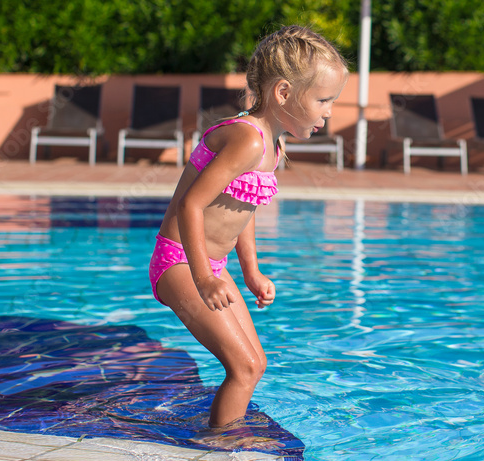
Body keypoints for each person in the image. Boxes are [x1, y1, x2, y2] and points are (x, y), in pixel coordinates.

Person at [148, 25, 348, 441]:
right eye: (323, 100)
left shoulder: (272, 147)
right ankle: (219, 445)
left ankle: (223, 434)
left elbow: (243, 209)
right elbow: (191, 204)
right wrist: (203, 278)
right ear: (283, 93)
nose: (328, 111)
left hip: (210, 265)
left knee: (256, 363)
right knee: (242, 367)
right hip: (180, 262)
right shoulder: (247, 140)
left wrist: (251, 272)